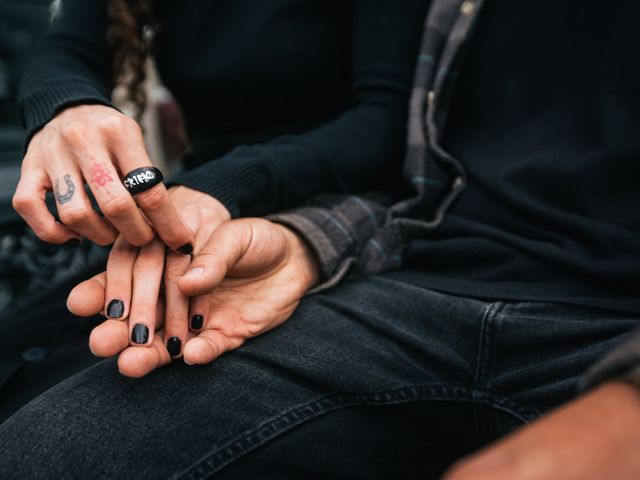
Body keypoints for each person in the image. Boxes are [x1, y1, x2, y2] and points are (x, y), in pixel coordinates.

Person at [1, 0, 640, 479]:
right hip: (350, 253)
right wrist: (70, 110)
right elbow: (434, 180)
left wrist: (239, 197)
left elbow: (387, 127)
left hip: (299, 200)